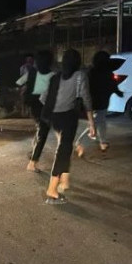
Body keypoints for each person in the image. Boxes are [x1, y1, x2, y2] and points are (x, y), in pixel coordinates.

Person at [39, 49, 95, 204]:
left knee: (65, 148)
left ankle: (64, 181)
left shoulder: (56, 77)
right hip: (68, 117)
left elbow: (43, 98)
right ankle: (52, 190)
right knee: (63, 152)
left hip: (53, 118)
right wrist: (91, 123)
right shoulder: (80, 76)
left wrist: (57, 105)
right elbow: (87, 100)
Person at [74, 50, 124, 157]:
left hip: (91, 103)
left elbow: (85, 88)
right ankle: (80, 142)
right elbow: (113, 86)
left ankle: (103, 142)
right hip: (102, 103)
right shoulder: (108, 72)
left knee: (100, 122)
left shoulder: (91, 72)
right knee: (96, 123)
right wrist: (118, 92)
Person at [18, 50, 55, 172]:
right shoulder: (52, 75)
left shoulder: (32, 72)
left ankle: (34, 151)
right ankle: (32, 162)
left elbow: (19, 82)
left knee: (41, 129)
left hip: (33, 104)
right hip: (45, 105)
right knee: (43, 132)